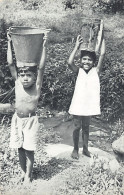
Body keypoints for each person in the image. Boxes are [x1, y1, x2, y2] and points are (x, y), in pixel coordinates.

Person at [7, 31, 48, 183]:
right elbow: (11, 64)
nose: (25, 78)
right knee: (20, 148)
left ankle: (29, 176)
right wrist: (10, 42)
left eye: (28, 75)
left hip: (31, 121)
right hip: (17, 120)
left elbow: (42, 67)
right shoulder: (18, 84)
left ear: (34, 77)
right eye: (22, 74)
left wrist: (44, 46)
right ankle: (24, 172)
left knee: (29, 149)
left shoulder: (37, 86)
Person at [68, 35, 105, 159]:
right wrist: (76, 47)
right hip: (78, 102)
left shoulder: (96, 71)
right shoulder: (78, 71)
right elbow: (69, 62)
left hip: (89, 104)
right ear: (80, 60)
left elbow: (103, 55)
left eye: (89, 60)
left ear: (93, 62)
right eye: (84, 59)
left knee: (86, 127)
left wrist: (102, 37)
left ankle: (85, 149)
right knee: (77, 127)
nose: (86, 62)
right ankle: (75, 149)